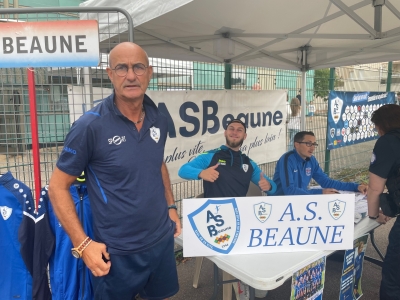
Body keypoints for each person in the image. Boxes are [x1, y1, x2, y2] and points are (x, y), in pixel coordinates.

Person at [47, 42, 180, 300]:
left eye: (138, 67)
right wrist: (83, 245)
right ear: (110, 74)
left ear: (149, 72)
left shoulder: (159, 118)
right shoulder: (89, 126)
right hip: (116, 252)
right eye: (122, 68)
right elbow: (57, 187)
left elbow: (157, 162)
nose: (131, 75)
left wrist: (171, 207)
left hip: (161, 241)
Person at [178, 119, 277, 198]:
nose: (235, 132)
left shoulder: (249, 163)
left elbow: (273, 187)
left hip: (238, 214)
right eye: (231, 128)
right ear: (225, 133)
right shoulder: (211, 155)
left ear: (245, 136)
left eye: (239, 130)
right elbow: (182, 170)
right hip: (214, 215)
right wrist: (201, 173)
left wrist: (269, 186)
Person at [367, 104, 400, 300]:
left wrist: (374, 216)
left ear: (382, 125)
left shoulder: (388, 142)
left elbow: (375, 188)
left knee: (393, 278)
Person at [273, 131, 368, 195]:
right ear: (297, 144)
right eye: (309, 144)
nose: (312, 147)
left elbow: (326, 182)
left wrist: (356, 186)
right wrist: (320, 192)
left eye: (314, 144)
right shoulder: (287, 160)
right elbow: (289, 190)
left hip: (300, 201)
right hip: (281, 204)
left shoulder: (311, 160)